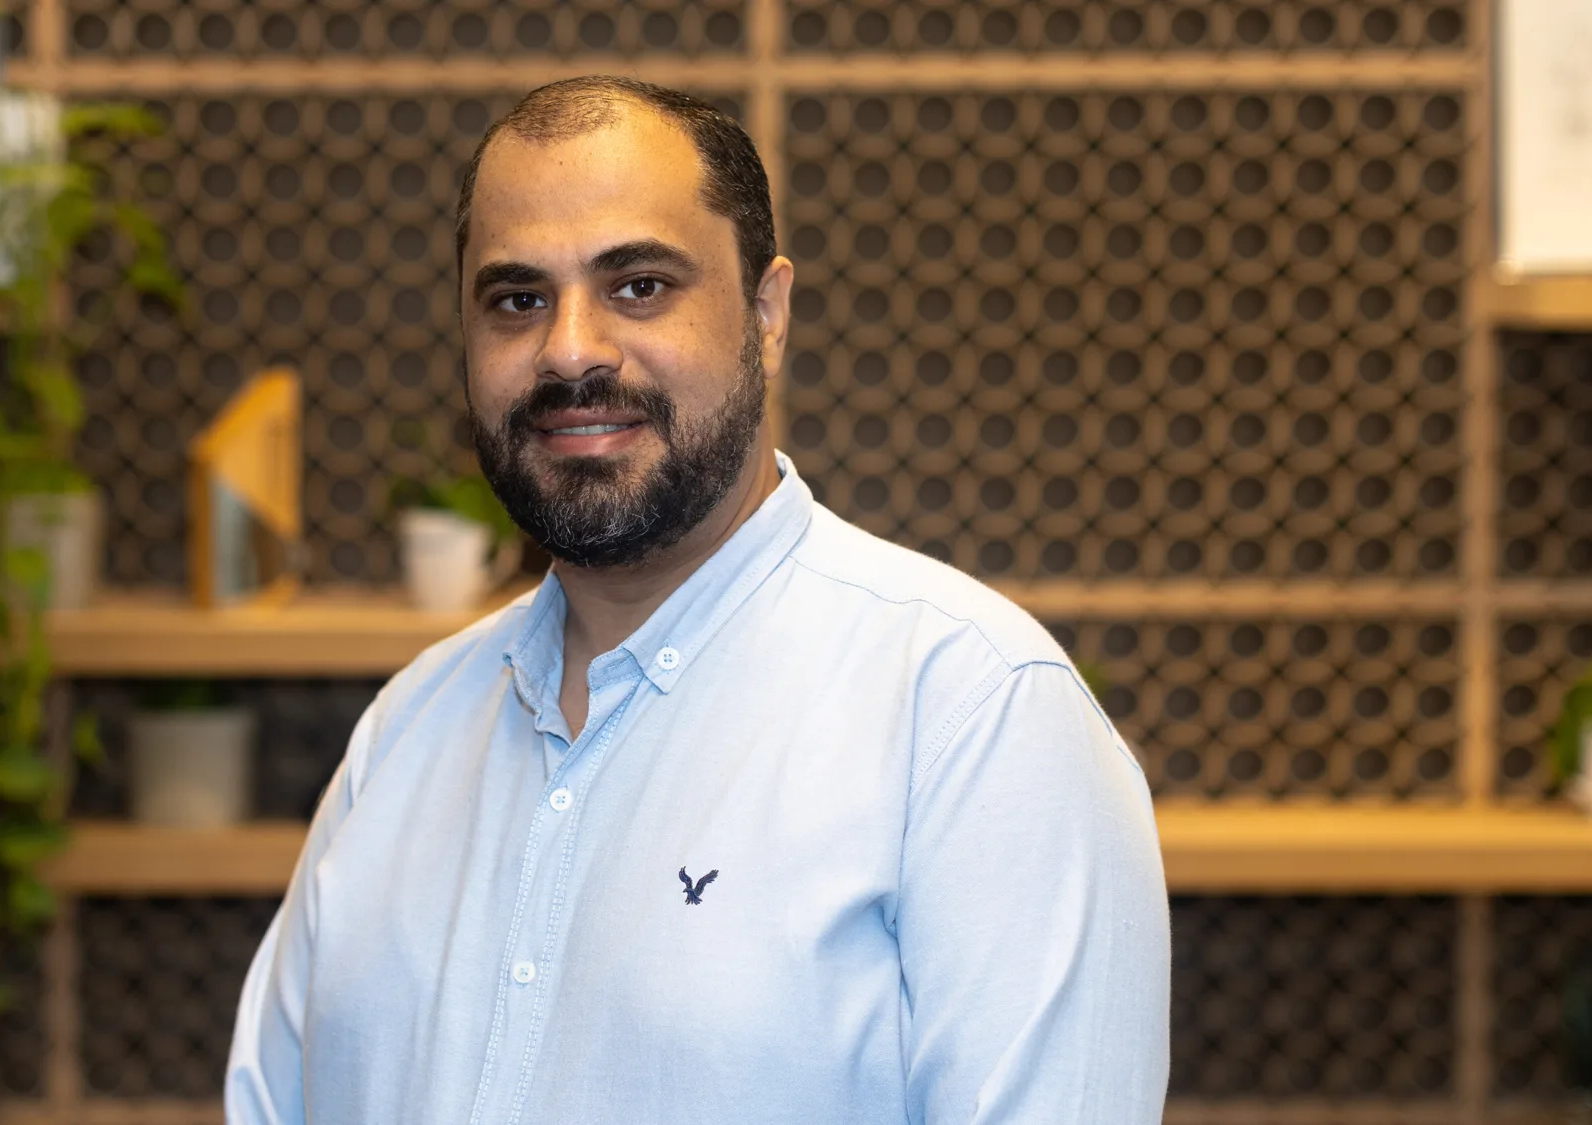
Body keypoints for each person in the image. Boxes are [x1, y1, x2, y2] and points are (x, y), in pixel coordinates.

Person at [226, 76, 1170, 1124]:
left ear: (765, 316)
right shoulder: (405, 736)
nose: (570, 349)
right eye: (516, 299)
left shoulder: (967, 717)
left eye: (636, 285)